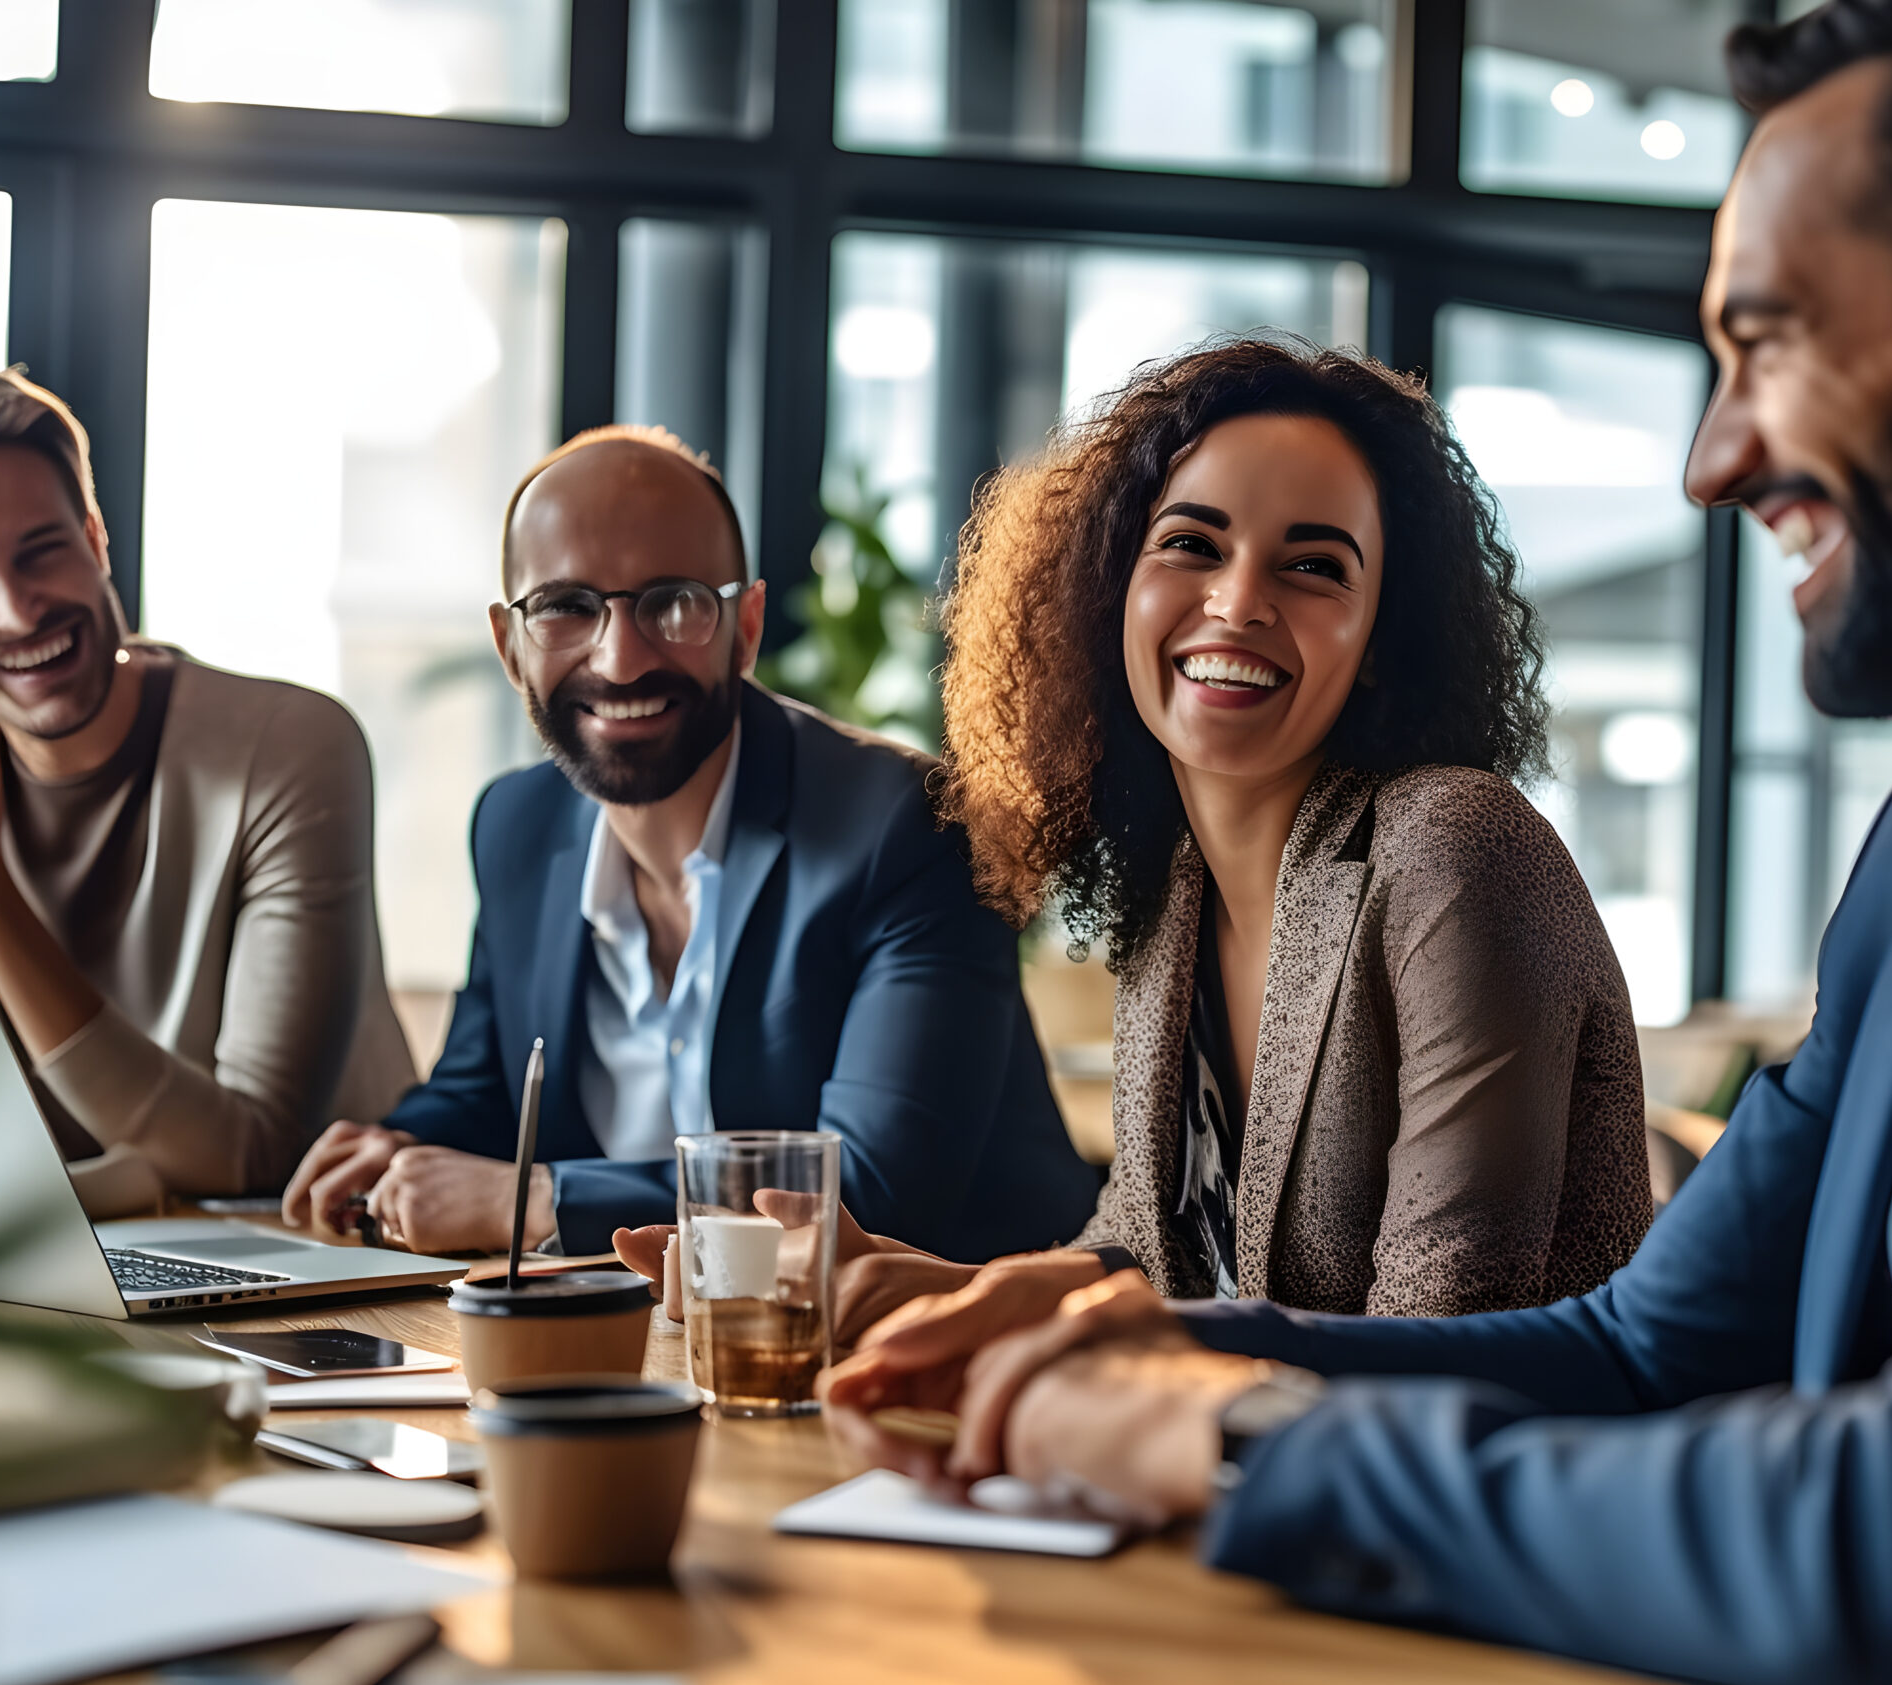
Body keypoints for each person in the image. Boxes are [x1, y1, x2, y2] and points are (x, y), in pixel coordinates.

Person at [821, 2, 1892, 1685]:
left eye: (1767, 345)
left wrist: (1242, 1439)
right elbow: (1640, 1349)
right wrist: (1141, 1347)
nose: (1715, 461)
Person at [661, 343, 1650, 1336]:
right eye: (1192, 544)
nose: (1238, 602)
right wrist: (930, 1287)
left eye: (1313, 567)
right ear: (1106, 594)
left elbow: (1443, 1337)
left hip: (1481, 1480)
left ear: (1383, 639)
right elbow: (1146, 1247)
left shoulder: (1453, 852)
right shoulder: (1179, 885)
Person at [280, 425, 1100, 1260]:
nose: (622, 658)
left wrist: (541, 1200)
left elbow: (873, 1194)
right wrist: (397, 1148)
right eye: (566, 606)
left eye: (672, 602)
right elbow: (487, 1095)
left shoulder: (910, 827)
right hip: (655, 1336)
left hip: (955, 1348)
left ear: (745, 627)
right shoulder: (514, 825)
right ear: (509, 646)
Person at [0, 369, 414, 1214]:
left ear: (94, 538)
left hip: (324, 1267)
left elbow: (253, 1151)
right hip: (60, 1273)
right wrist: (120, 1180)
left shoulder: (287, 749)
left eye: (41, 552)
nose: (17, 611)